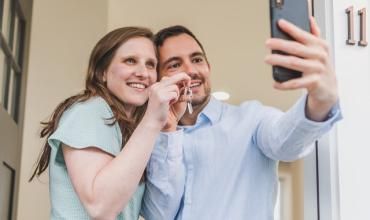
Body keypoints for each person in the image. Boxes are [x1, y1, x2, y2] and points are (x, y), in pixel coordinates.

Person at [141, 18, 342, 220]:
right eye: (175, 64)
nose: (191, 70)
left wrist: (320, 102)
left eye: (197, 59)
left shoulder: (252, 119)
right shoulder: (148, 142)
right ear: (159, 80)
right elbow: (158, 215)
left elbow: (287, 142)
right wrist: (167, 130)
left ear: (208, 67)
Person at [29, 27, 191, 219]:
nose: (143, 73)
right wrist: (152, 120)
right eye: (130, 60)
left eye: (150, 64)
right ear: (102, 72)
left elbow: (159, 214)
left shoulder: (133, 130)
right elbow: (100, 207)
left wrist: (168, 125)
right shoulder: (90, 110)